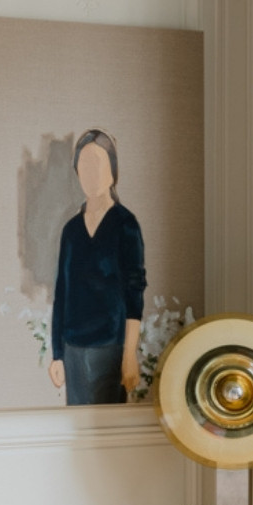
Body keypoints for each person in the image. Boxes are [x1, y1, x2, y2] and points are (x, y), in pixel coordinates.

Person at [48, 129, 145, 405]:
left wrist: (129, 356)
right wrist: (57, 355)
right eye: (84, 165)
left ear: (113, 170)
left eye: (98, 163)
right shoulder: (71, 230)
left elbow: (134, 294)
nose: (91, 173)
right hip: (73, 350)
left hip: (110, 349)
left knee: (108, 424)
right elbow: (61, 293)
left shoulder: (126, 225)